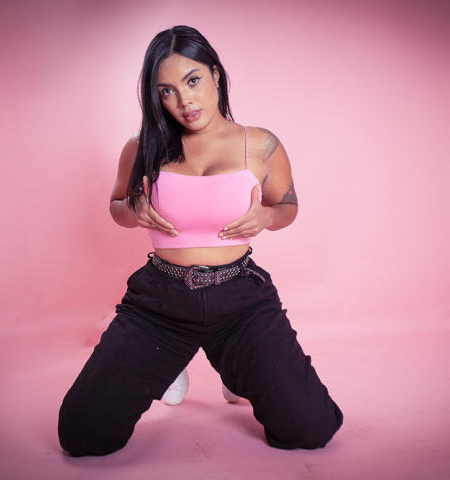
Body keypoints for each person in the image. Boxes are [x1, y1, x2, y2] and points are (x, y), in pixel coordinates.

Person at [58, 25, 344, 457]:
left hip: (240, 301)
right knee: (82, 435)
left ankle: (237, 370)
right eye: (167, 91)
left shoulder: (260, 144)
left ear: (215, 75)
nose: (184, 101)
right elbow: (117, 205)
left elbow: (287, 205)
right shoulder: (142, 146)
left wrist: (267, 216)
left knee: (312, 428)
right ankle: (168, 367)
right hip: (160, 303)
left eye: (192, 81)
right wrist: (133, 209)